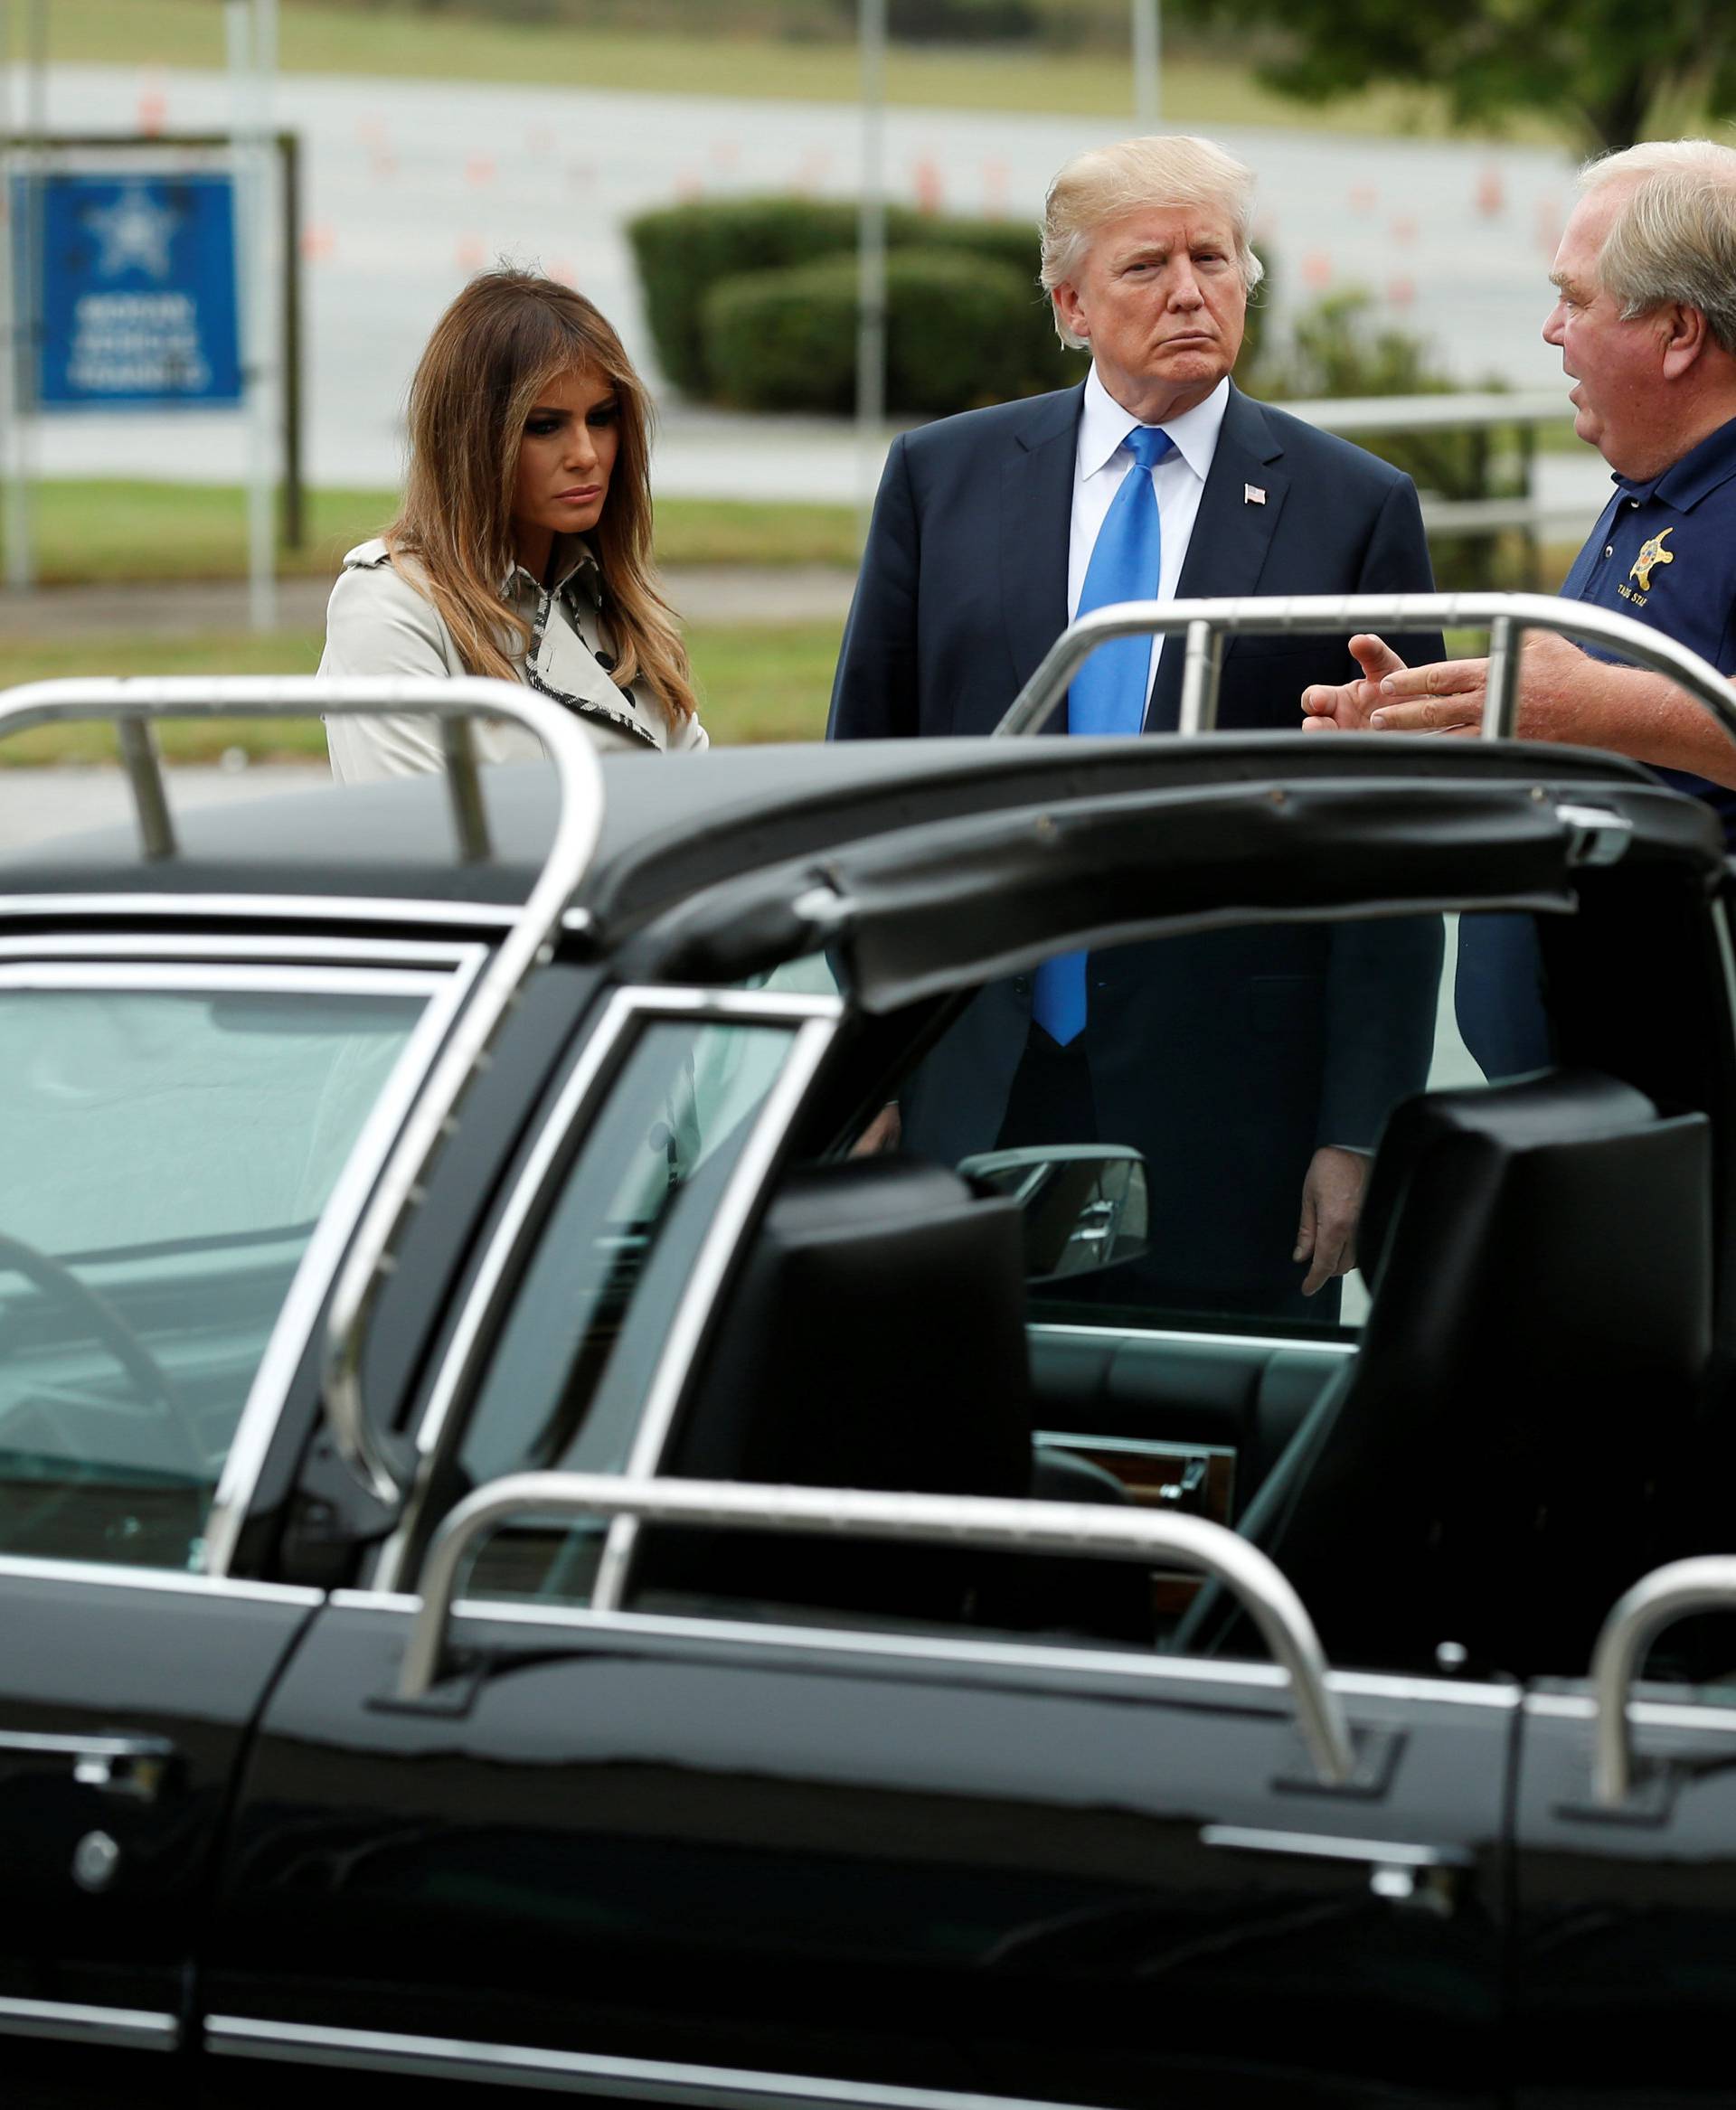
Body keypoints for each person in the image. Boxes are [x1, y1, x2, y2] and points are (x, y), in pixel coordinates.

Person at [829, 134, 1443, 1318]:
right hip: (970, 1093)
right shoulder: (941, 479)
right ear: (1070, 303)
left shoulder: (1353, 509)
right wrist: (866, 1078)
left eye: (1214, 258)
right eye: (1147, 265)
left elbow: (1398, 850)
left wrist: (1357, 1129)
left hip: (1236, 1128)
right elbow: (867, 791)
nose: (1189, 292)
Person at [1299, 138, 1736, 1073]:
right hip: (1590, 1090)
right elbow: (1611, 748)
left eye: (1577, 299)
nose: (1550, 330)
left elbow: (1609, 715)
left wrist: (1598, 709)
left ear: (1679, 334)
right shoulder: (1653, 482)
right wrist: (1444, 727)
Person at [320, 269, 705, 778]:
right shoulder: (391, 608)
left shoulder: (617, 605)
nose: (586, 455)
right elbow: (412, 840)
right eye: (545, 426)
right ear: (474, 439)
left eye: (602, 417)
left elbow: (700, 807)